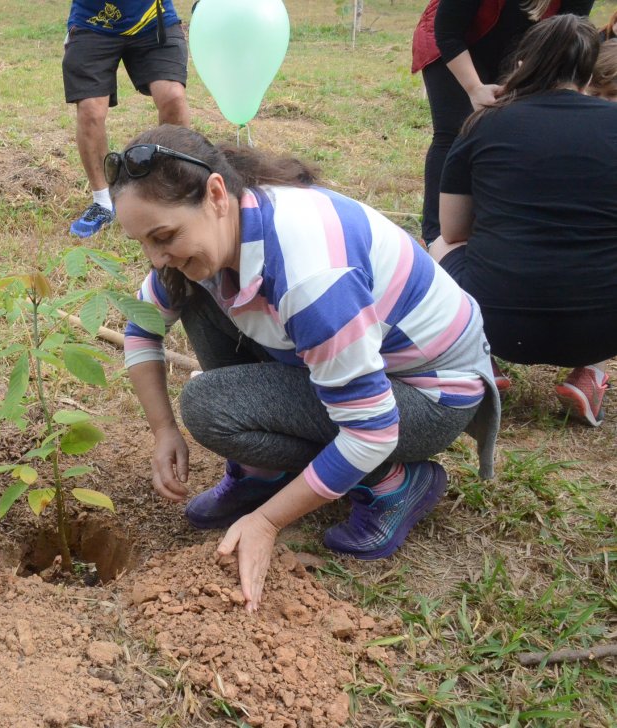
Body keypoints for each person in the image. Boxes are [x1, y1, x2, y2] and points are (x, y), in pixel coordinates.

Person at [110, 126, 499, 612]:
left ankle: (394, 481)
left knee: (210, 406)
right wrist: (163, 431)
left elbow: (371, 432)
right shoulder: (229, 226)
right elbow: (142, 326)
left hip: (427, 396)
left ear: (216, 194)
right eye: (143, 242)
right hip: (361, 365)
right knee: (191, 287)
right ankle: (265, 470)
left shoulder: (312, 277)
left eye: (164, 237)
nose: (155, 257)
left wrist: (267, 522)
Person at [429, 15, 617, 426]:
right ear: (589, 74)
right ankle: (590, 373)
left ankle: (480, 361)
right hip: (603, 330)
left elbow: (453, 230)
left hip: (498, 324)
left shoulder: (485, 122)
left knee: (439, 245)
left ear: (524, 64)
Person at [411, 0, 595, 245]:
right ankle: (437, 234)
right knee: (455, 130)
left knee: (513, 129)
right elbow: (447, 32)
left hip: (523, 48)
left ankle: (492, 219)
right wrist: (474, 88)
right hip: (454, 43)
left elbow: (565, 36)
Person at [62, 0, 190, 238]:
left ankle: (169, 189)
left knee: (173, 96)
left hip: (153, 19)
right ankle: (103, 202)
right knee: (90, 110)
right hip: (93, 23)